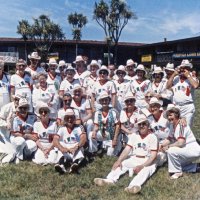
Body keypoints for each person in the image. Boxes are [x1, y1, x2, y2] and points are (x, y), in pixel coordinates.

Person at [94, 114, 158, 194]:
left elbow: (153, 156)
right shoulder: (134, 135)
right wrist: (119, 160)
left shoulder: (153, 137)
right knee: (122, 164)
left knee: (145, 171)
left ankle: (133, 186)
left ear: (148, 125)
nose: (141, 126)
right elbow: (127, 149)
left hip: (148, 160)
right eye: (139, 124)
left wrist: (142, 166)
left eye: (144, 124)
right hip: (135, 158)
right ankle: (109, 180)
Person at [160, 105, 200, 179]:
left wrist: (168, 146)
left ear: (176, 115)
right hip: (186, 148)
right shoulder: (173, 125)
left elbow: (180, 143)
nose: (169, 117)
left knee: (171, 150)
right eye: (168, 115)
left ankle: (177, 172)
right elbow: (169, 138)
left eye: (171, 115)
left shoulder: (181, 125)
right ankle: (196, 167)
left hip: (192, 149)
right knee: (177, 164)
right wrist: (161, 145)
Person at [166, 59, 199, 126]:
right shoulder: (176, 78)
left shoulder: (192, 78)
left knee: (186, 126)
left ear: (189, 69)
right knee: (175, 126)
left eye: (186, 68)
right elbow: (168, 86)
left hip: (188, 107)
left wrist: (188, 75)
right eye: (182, 68)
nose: (184, 70)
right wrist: (173, 74)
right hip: (177, 107)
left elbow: (195, 85)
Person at [53, 108, 87, 174]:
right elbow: (55, 139)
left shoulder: (80, 127)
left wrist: (76, 147)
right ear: (65, 118)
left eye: (71, 117)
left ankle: (74, 165)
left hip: (75, 149)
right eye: (67, 117)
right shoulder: (61, 127)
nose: (69, 119)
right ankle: (61, 165)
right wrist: (61, 148)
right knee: (60, 144)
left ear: (74, 118)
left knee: (80, 147)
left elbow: (83, 138)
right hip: (65, 150)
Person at [89, 91, 120, 156]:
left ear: (109, 101)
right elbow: (96, 125)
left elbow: (118, 126)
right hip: (103, 133)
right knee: (90, 134)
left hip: (112, 135)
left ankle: (115, 146)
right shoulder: (98, 112)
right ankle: (93, 151)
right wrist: (94, 131)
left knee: (110, 155)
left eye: (106, 100)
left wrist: (115, 139)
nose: (104, 102)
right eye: (102, 100)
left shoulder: (114, 111)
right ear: (100, 102)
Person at [10, 98, 37, 163]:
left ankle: (24, 156)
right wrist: (26, 135)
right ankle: (18, 157)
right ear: (18, 109)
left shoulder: (33, 117)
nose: (23, 110)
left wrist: (29, 136)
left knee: (33, 146)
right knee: (21, 142)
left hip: (27, 138)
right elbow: (15, 133)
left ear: (28, 108)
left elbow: (35, 133)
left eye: (25, 108)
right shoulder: (15, 117)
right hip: (17, 138)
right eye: (21, 108)